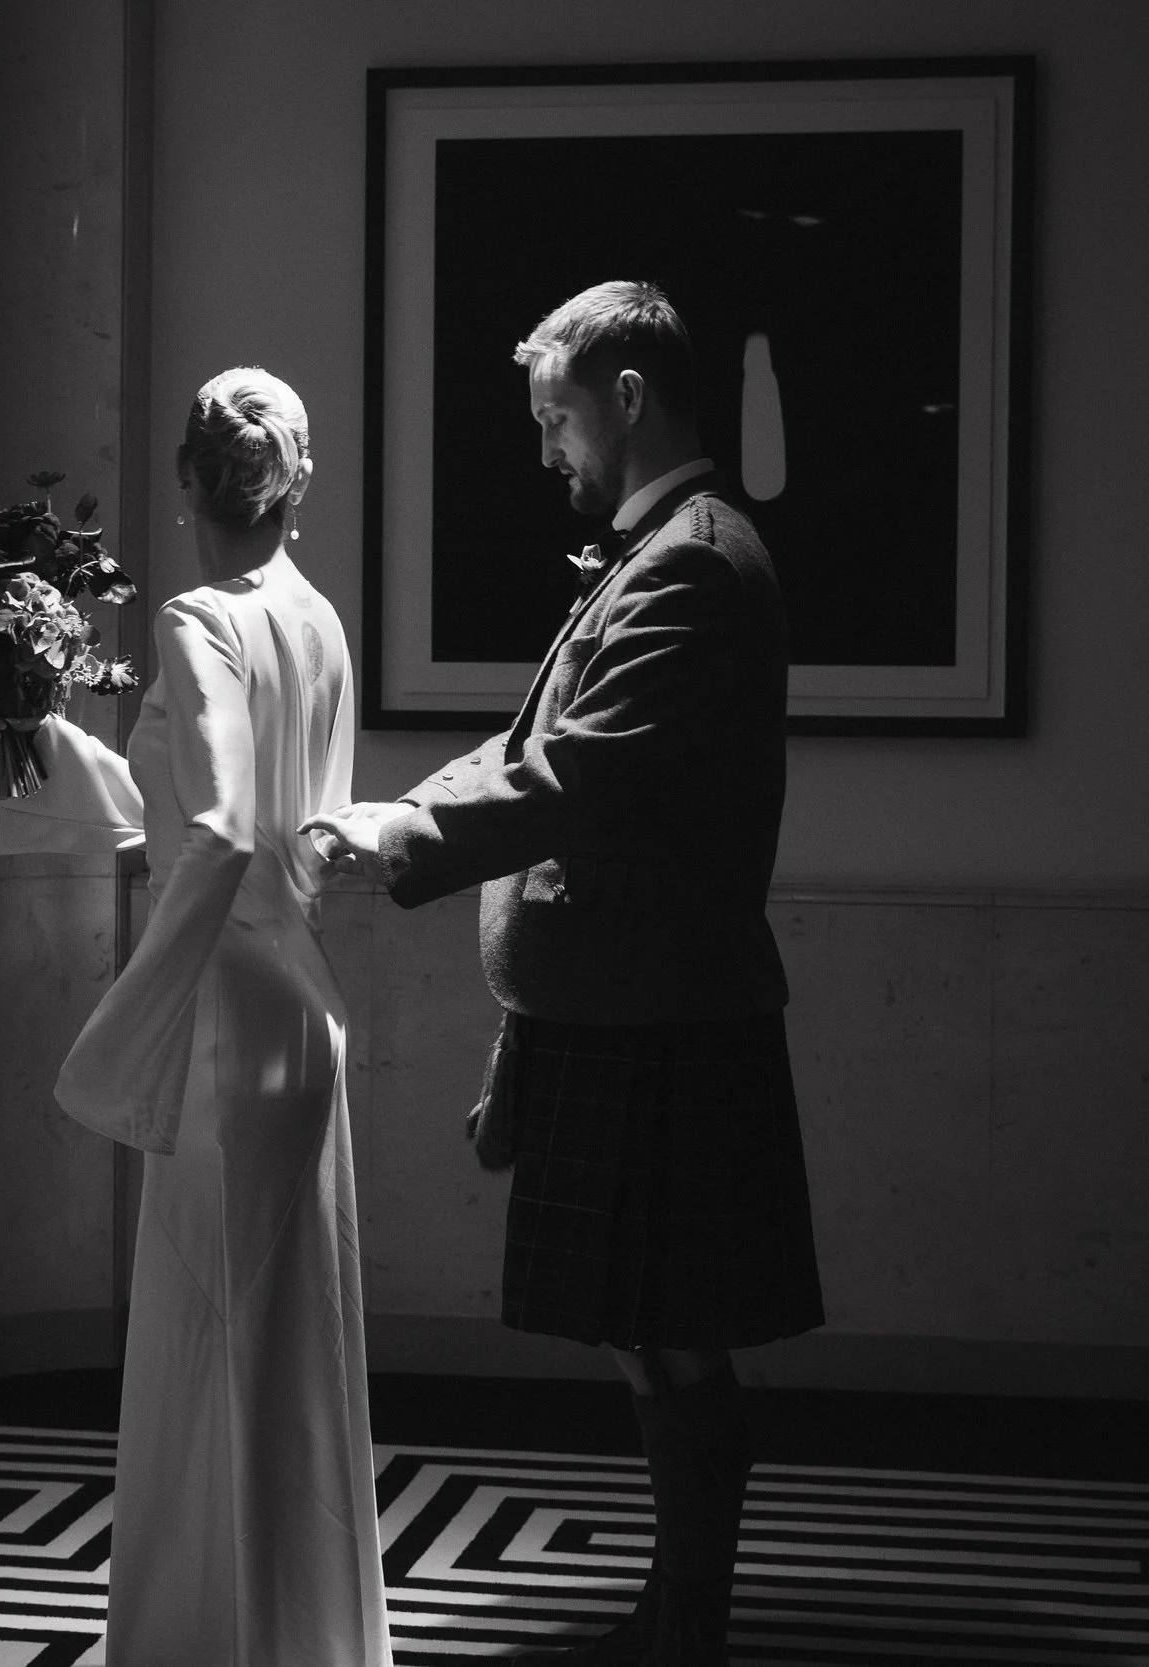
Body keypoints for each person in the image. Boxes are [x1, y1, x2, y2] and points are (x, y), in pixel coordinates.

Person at [306, 282, 825, 1666]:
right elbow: (540, 737)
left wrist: (402, 829)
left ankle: (687, 1625)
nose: (549, 450)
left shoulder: (695, 562)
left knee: (671, 1338)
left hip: (661, 1016)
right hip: (624, 1007)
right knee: (651, 1336)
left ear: (630, 396)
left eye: (557, 417)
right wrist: (401, 807)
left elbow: (579, 772)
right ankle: (677, 1611)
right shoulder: (655, 552)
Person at [0, 368, 390, 1667]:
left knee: (203, 1350)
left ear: (183, 479)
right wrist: (29, 711)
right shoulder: (320, 619)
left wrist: (132, 1018)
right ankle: (305, 1639)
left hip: (225, 1014)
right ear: (301, 480)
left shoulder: (194, 613)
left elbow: (214, 831)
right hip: (300, 1004)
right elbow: (245, 821)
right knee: (285, 1356)